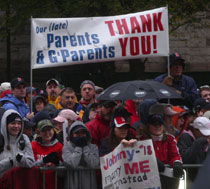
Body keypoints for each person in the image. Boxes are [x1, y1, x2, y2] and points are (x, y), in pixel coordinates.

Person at [139, 114, 183, 189]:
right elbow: (140, 158)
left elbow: (174, 154)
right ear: (148, 126)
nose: (158, 127)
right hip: (149, 179)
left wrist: (176, 162)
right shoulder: (142, 140)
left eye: (160, 124)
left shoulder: (170, 138)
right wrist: (153, 161)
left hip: (168, 178)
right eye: (154, 124)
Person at [62, 120, 99, 189]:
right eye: (77, 133)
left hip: (90, 185)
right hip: (72, 185)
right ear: (72, 135)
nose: (80, 135)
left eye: (83, 133)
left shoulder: (93, 147)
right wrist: (78, 148)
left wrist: (85, 148)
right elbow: (71, 164)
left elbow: (94, 164)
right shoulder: (67, 147)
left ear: (87, 134)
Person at [0, 109, 35, 177]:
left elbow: (31, 163)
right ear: (5, 124)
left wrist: (21, 159)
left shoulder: (24, 139)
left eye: (19, 123)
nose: (16, 126)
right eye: (13, 123)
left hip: (19, 183)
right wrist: (8, 163)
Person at [31, 119, 63, 189]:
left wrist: (58, 163)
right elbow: (31, 165)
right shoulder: (33, 145)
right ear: (39, 133)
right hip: (38, 185)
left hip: (55, 185)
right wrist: (44, 160)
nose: (47, 133)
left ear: (53, 131)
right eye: (44, 131)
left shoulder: (59, 146)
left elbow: (64, 171)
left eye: (49, 130)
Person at [177, 116, 210, 181]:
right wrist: (199, 142)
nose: (206, 135)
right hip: (189, 179)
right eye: (203, 132)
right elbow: (184, 158)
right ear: (195, 129)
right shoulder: (184, 137)